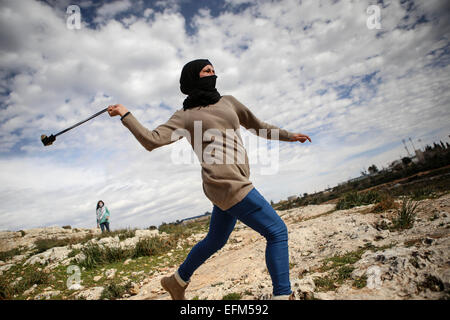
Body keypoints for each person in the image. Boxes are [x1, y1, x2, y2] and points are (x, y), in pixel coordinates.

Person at [107, 59, 311, 300]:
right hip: (226, 182)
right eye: (206, 71)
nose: (212, 74)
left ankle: (177, 281)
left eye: (214, 70)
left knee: (215, 240)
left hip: (229, 183)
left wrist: (289, 136)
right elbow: (152, 140)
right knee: (277, 232)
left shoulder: (229, 102)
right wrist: (125, 114)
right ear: (193, 77)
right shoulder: (185, 116)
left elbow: (258, 126)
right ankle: (282, 295)